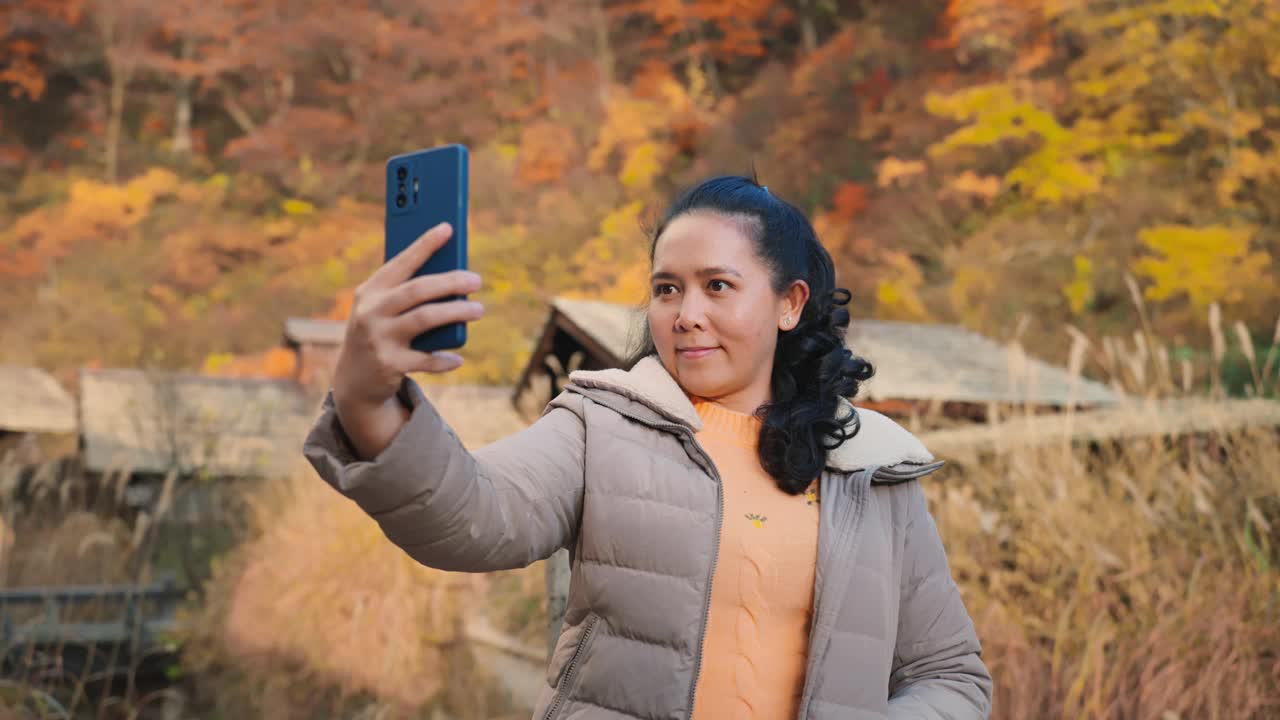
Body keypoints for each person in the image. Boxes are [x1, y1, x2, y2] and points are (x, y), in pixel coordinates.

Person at [303, 175, 993, 719]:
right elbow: (474, 520)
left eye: (717, 286)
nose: (686, 313)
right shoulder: (600, 425)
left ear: (789, 304)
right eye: (667, 289)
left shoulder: (869, 468)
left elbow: (951, 676)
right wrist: (367, 399)